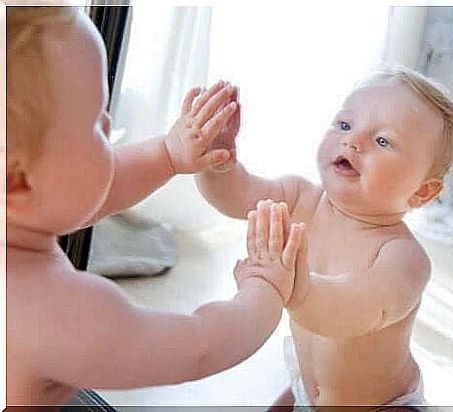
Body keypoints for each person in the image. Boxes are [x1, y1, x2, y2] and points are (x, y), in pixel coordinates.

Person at [6, 6, 306, 409]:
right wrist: (264, 290)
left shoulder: (18, 212)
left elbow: (96, 189)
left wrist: (167, 154)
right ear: (18, 179)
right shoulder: (54, 312)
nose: (111, 127)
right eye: (96, 122)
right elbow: (197, 347)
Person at [196, 66, 453, 409]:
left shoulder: (403, 258)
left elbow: (354, 310)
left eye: (382, 141)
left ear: (422, 193)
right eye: (345, 125)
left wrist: (297, 286)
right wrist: (217, 161)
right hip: (307, 389)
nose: (353, 141)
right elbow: (237, 196)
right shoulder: (299, 197)